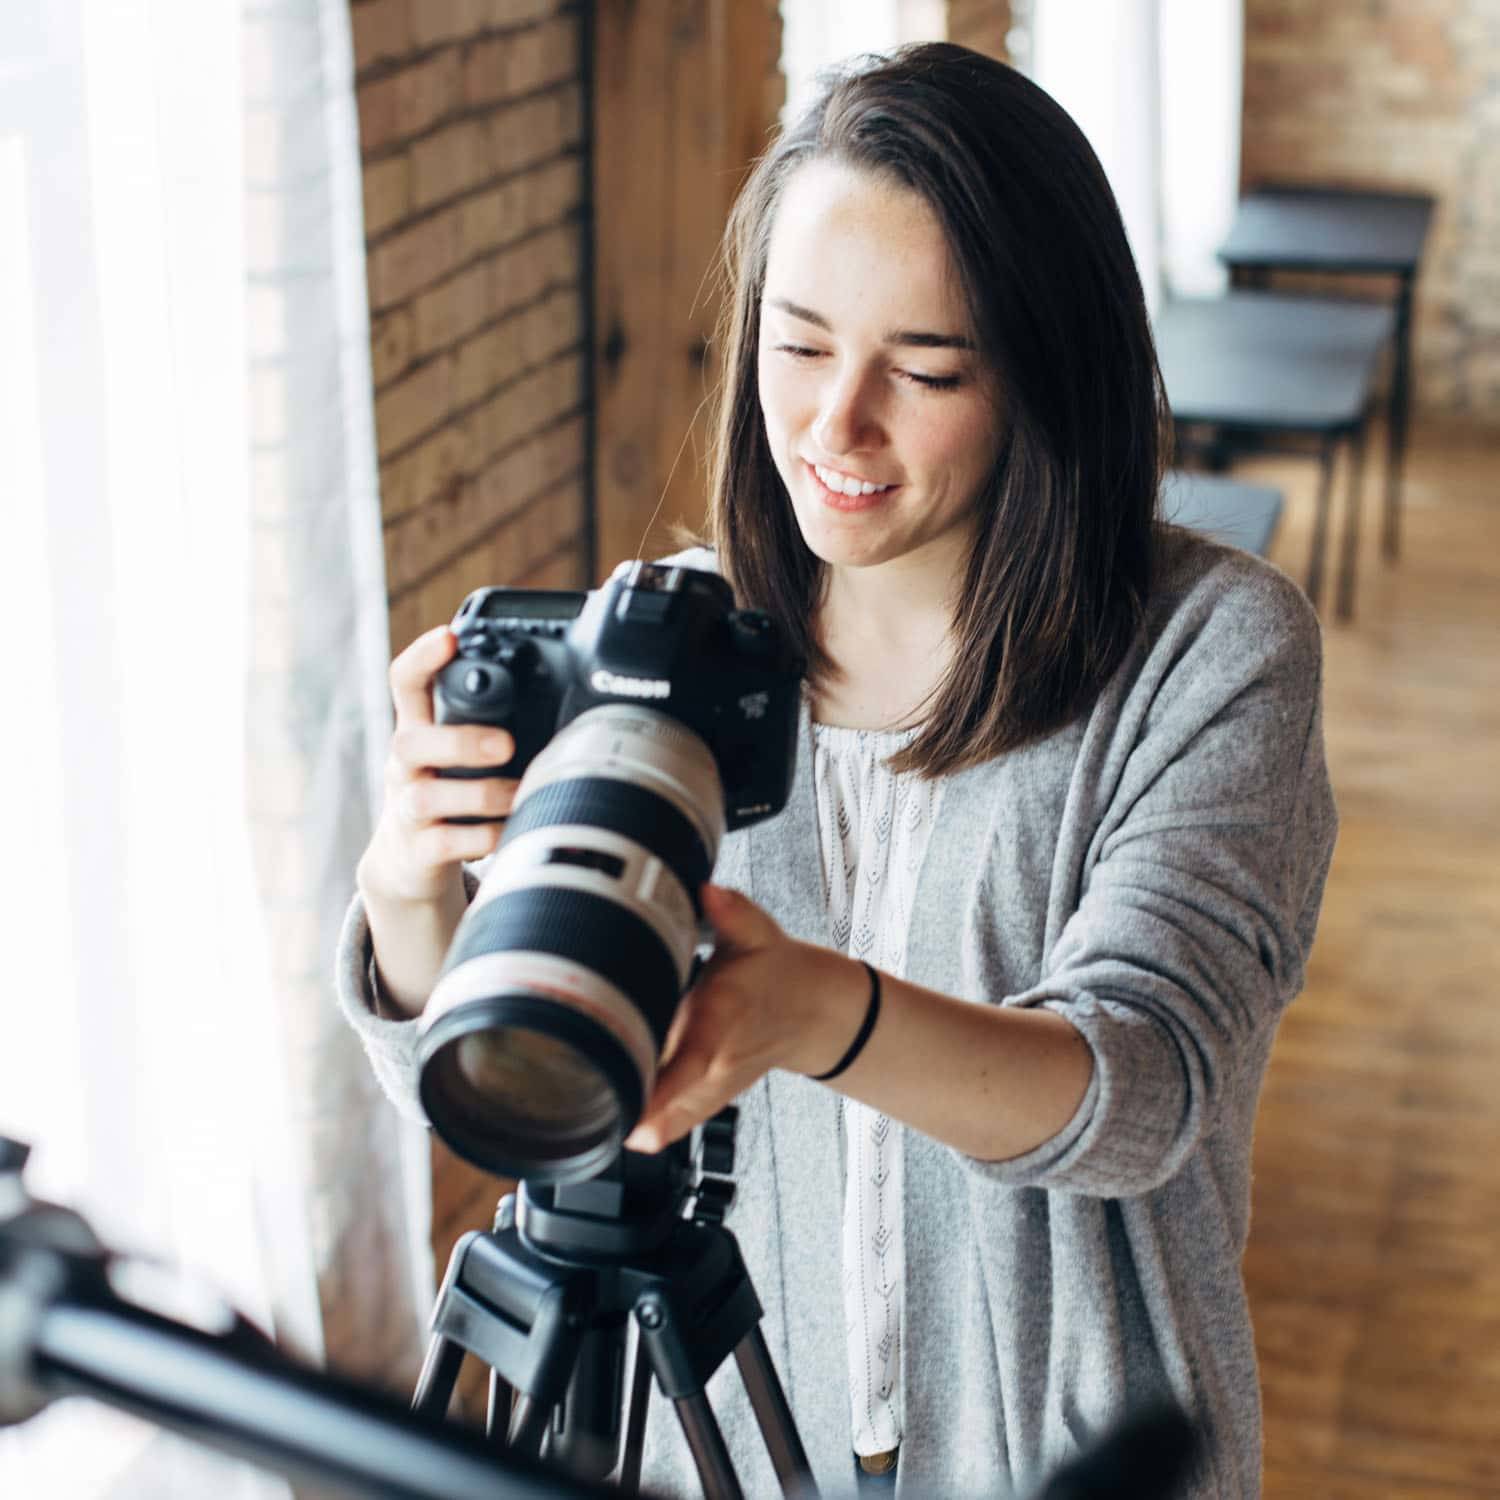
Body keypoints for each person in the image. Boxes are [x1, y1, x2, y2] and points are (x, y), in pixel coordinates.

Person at [337, 42, 1336, 1500]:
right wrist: (414, 885)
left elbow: (1144, 1089)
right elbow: (516, 1058)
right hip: (720, 1440)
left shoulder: (1213, 652)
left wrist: (820, 1013)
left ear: (1046, 373)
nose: (832, 427)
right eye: (798, 346)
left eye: (922, 368)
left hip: (1068, 1452)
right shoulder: (678, 648)